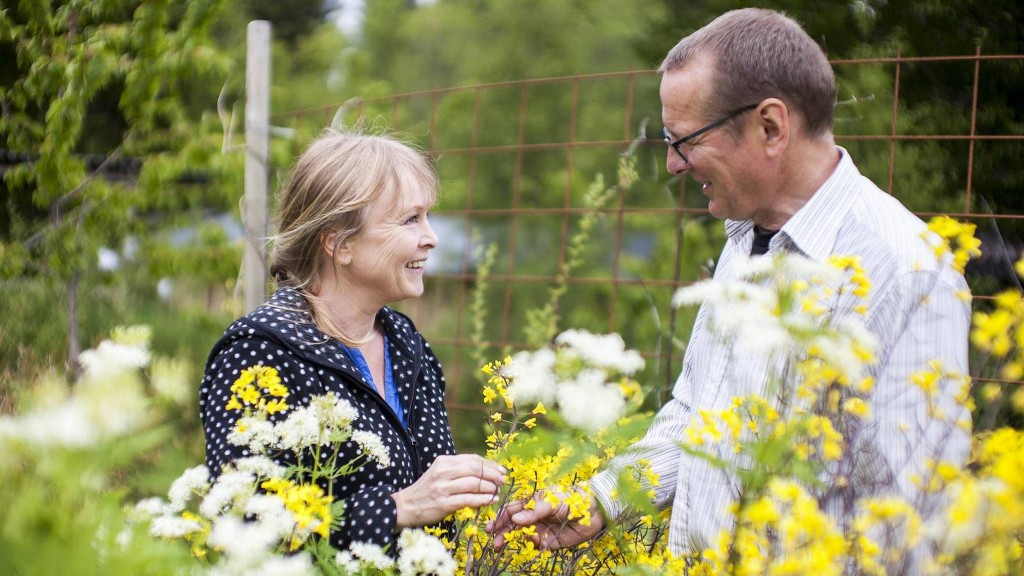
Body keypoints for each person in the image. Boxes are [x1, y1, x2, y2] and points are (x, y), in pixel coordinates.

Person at [489, 8, 970, 571]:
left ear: (770, 126)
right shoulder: (747, 238)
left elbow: (917, 516)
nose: (671, 164)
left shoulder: (907, 272)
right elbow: (701, 411)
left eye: (684, 140)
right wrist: (601, 497)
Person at [200, 131, 505, 550]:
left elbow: (433, 508)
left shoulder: (406, 344)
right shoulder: (261, 352)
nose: (432, 237)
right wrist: (397, 510)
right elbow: (244, 525)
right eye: (410, 219)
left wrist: (493, 517)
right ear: (338, 242)